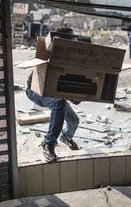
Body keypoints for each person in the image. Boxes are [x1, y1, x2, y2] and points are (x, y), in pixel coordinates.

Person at [25, 26, 81, 163]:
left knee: (74, 121)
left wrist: (76, 97)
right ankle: (49, 144)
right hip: (36, 91)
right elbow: (45, 84)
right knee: (58, 102)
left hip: (57, 94)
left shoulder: (72, 59)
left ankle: (66, 137)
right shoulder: (48, 55)